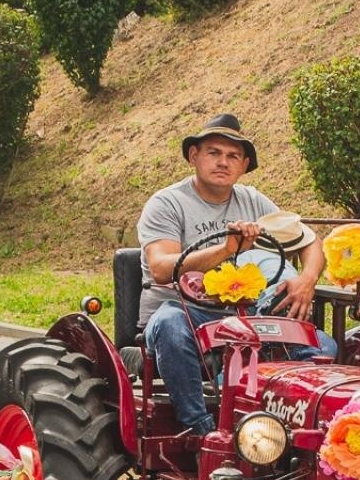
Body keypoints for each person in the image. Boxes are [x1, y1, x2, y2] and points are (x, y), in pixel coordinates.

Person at [137, 113, 334, 436]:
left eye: (232, 156)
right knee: (168, 325)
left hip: (246, 315)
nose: (223, 162)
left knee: (322, 346)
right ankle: (203, 431)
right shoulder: (167, 203)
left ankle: (278, 429)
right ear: (194, 156)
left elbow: (311, 241)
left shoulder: (253, 200)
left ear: (243, 165)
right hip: (188, 313)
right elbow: (160, 267)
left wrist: (306, 281)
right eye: (214, 153)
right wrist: (228, 249)